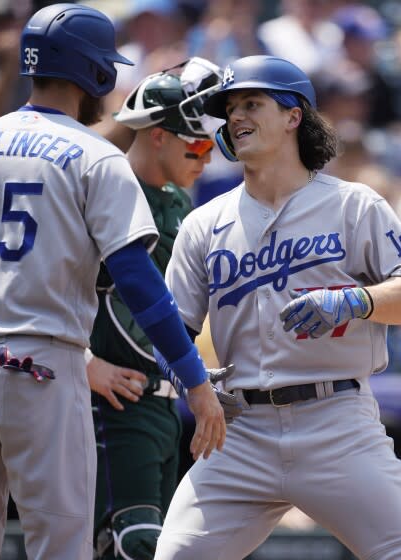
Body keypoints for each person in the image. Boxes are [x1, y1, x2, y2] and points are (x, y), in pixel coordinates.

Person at [0, 4, 227, 558]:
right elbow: (137, 281)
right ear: (96, 74)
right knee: (61, 549)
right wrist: (195, 381)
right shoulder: (96, 157)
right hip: (40, 368)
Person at [155, 54, 401, 560]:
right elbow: (170, 329)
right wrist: (192, 379)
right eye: (230, 109)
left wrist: (357, 300)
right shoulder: (204, 224)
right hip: (241, 430)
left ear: (294, 116)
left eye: (251, 103)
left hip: (336, 422)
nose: (236, 116)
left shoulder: (355, 205)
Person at [87, 57, 238, 560]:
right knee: (131, 545)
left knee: (165, 546)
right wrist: (81, 363)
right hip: (110, 402)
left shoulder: (178, 201)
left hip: (164, 403)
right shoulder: (101, 188)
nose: (206, 158)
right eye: (195, 144)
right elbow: (43, 287)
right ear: (156, 135)